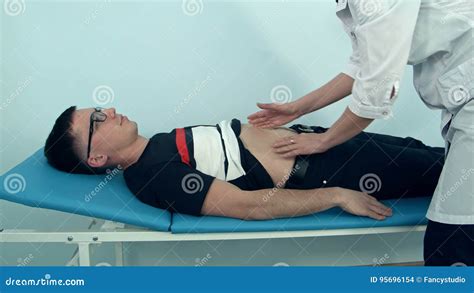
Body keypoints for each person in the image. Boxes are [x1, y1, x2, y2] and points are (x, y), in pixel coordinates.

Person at [247, 0, 473, 266]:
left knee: (452, 239)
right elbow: (364, 65)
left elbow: (378, 83)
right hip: (462, 109)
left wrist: (324, 140)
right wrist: (299, 108)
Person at [44, 106, 443, 222]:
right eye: (98, 120)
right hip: (332, 169)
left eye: (99, 108)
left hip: (322, 140)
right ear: (97, 158)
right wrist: (336, 195)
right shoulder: (152, 176)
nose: (109, 110)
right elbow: (245, 205)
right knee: (456, 173)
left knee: (443, 156)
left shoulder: (159, 144)